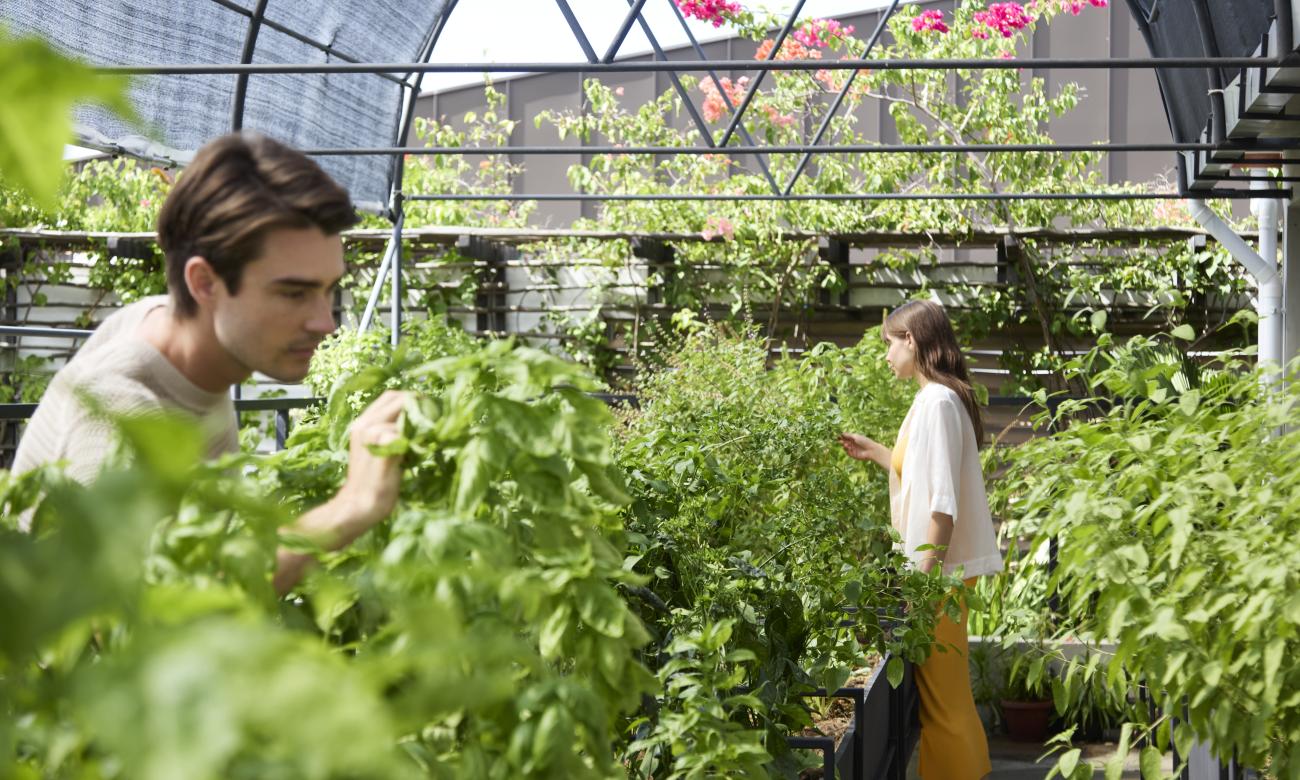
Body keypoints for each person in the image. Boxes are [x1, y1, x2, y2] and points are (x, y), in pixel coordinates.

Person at [12, 132, 407, 595]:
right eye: (294, 293)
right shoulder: (125, 409)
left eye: (327, 290)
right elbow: (131, 631)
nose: (326, 322)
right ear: (204, 282)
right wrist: (348, 509)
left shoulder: (168, 326)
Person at [838, 299, 1002, 780]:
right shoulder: (938, 398)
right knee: (943, 705)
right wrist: (877, 453)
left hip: (938, 584)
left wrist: (919, 587)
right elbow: (926, 477)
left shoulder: (936, 402)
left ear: (911, 340)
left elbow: (941, 508)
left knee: (944, 709)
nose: (886, 356)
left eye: (889, 344)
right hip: (942, 581)